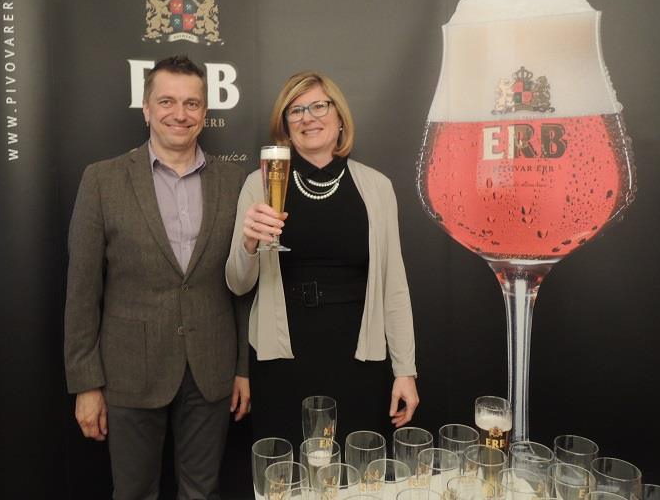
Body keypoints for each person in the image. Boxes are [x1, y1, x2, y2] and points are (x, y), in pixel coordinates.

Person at [64, 55, 250, 500]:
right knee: (133, 493)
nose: (179, 113)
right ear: (146, 109)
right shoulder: (102, 180)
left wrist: (242, 368)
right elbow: (82, 290)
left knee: (202, 492)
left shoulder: (235, 182)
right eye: (166, 101)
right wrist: (86, 383)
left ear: (205, 112)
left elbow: (243, 284)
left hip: (211, 369)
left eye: (191, 103)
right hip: (130, 371)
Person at [225, 70, 419, 449]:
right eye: (295, 111)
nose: (308, 118)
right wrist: (249, 243)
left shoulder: (376, 187)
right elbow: (237, 282)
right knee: (286, 470)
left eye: (318, 106)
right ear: (285, 125)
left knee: (357, 468)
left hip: (358, 357)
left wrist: (405, 370)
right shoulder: (259, 184)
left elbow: (394, 287)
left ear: (339, 117)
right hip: (282, 358)